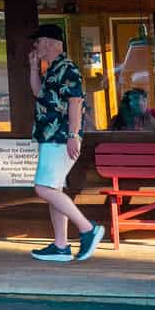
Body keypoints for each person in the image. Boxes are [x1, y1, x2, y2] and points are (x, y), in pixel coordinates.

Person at [29, 22, 104, 264]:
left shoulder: (67, 68)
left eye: (38, 42)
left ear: (49, 43)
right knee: (54, 188)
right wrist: (33, 67)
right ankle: (60, 246)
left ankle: (87, 229)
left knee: (44, 189)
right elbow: (38, 93)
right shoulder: (51, 68)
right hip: (51, 136)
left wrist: (73, 135)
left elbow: (76, 102)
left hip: (60, 137)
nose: (36, 46)